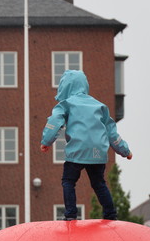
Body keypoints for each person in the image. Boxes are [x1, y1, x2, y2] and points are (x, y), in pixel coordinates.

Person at [39, 70, 132, 221]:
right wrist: (125, 151)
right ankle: (110, 214)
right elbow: (112, 133)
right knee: (99, 183)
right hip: (97, 152)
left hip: (77, 149)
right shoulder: (99, 106)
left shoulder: (66, 104)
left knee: (68, 181)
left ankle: (71, 215)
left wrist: (46, 141)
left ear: (64, 87)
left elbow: (55, 122)